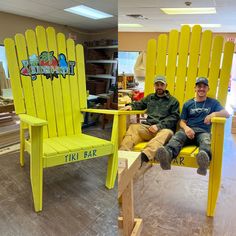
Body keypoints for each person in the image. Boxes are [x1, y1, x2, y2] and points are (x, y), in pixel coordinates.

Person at [156, 77, 230, 175]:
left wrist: (213, 114)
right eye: (199, 86)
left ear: (208, 89)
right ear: (195, 88)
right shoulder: (188, 104)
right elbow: (182, 122)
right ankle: (167, 156)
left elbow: (226, 113)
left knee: (206, 141)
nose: (201, 89)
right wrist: (186, 128)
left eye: (204, 86)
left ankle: (203, 162)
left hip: (203, 132)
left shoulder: (213, 103)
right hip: (188, 131)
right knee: (177, 138)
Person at [120, 75, 180, 167]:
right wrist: (131, 106)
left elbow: (174, 117)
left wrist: (158, 126)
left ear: (166, 86)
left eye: (162, 84)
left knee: (167, 133)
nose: (159, 87)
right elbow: (140, 104)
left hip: (163, 130)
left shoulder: (173, 101)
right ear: (154, 85)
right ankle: (123, 155)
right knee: (134, 127)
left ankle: (143, 157)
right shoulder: (150, 97)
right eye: (157, 84)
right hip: (148, 128)